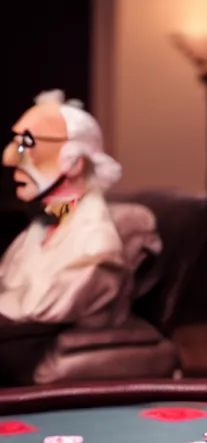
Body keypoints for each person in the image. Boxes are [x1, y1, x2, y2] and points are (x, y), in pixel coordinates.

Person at [0, 91, 135, 382]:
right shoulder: (43, 226)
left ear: (74, 162)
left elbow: (32, 314)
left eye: (27, 144)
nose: (10, 158)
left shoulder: (95, 244)